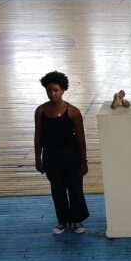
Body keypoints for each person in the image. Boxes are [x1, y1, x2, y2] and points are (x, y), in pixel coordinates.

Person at [34, 71, 90, 234]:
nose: (52, 94)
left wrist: (84, 161)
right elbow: (38, 136)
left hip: (71, 155)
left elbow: (80, 137)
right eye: (49, 90)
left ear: (63, 90)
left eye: (56, 90)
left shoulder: (73, 111)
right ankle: (63, 221)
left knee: (75, 188)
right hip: (51, 155)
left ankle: (77, 220)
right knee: (57, 189)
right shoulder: (40, 111)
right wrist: (38, 158)